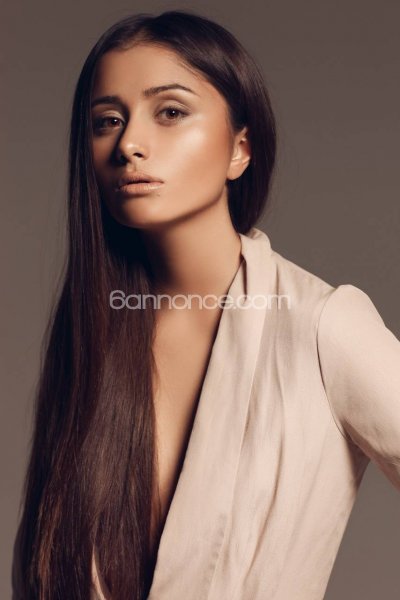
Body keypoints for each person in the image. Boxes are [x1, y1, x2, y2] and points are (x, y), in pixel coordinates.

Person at [12, 9, 400, 600]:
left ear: (239, 149)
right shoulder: (90, 335)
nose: (129, 144)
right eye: (107, 120)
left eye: (170, 112)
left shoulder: (323, 326)